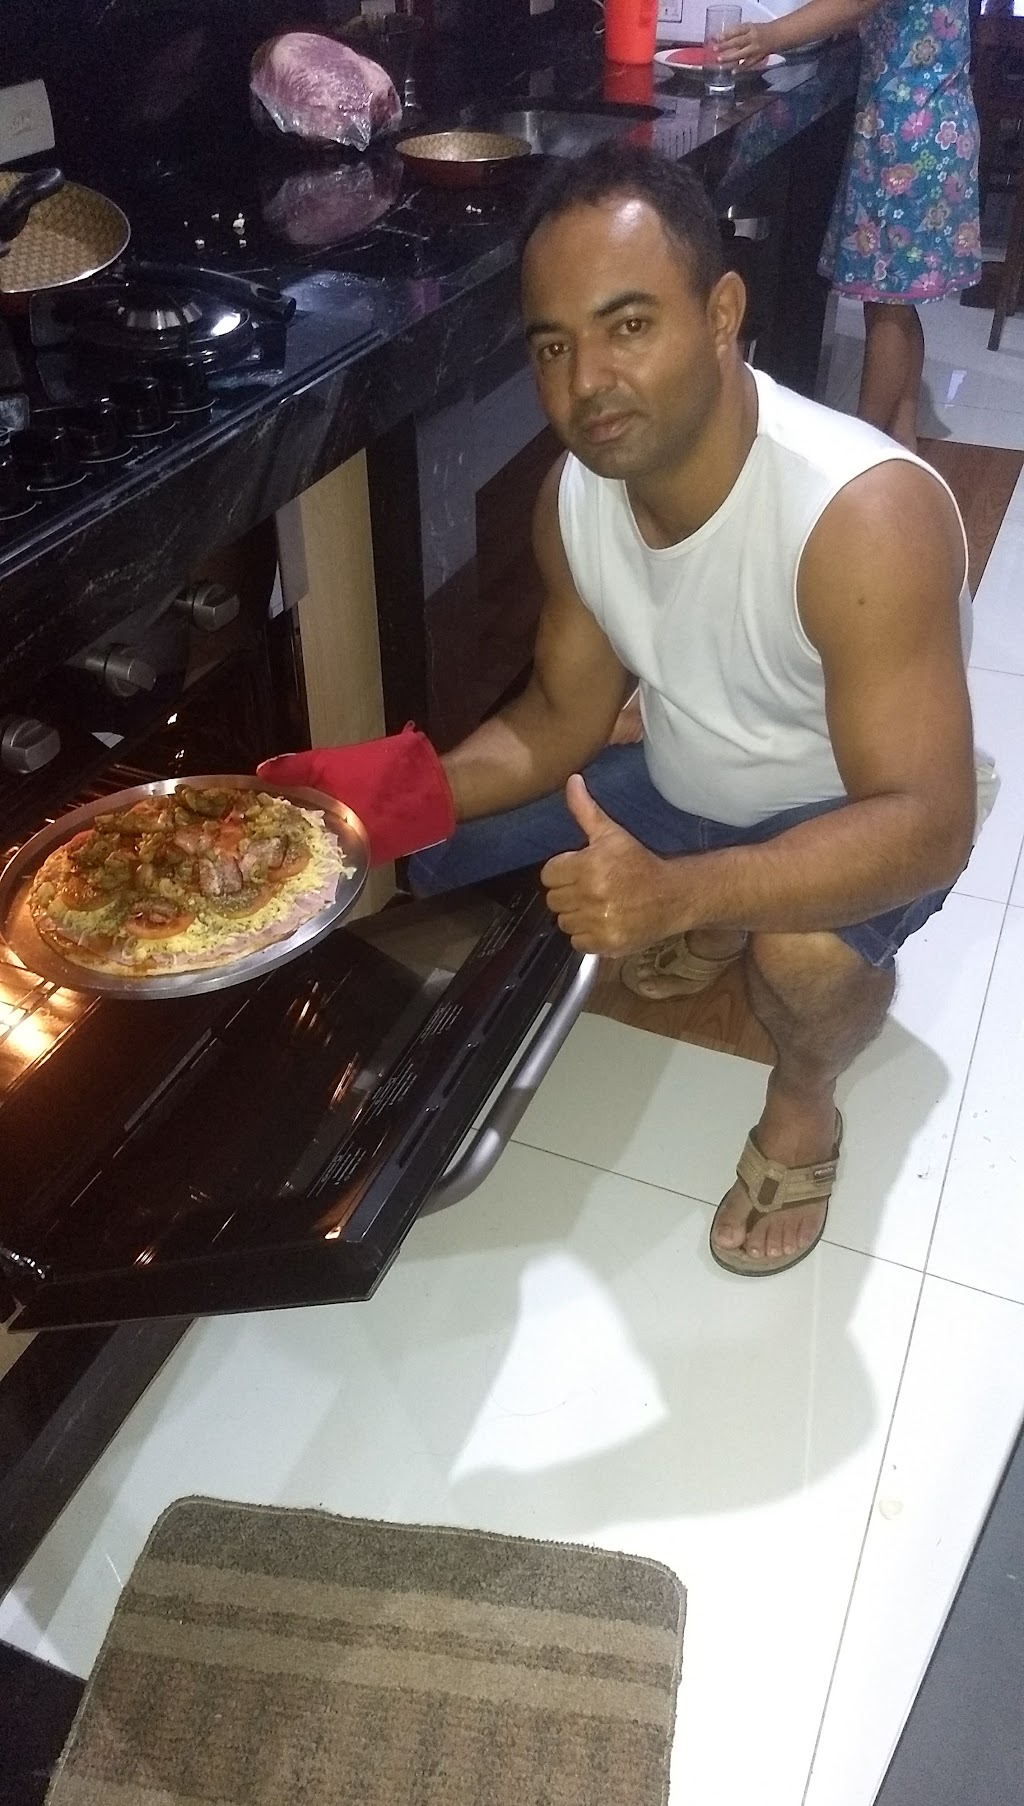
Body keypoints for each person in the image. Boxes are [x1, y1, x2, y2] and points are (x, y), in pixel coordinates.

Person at [260, 144, 976, 1278]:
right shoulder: (574, 499)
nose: (586, 381)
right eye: (553, 345)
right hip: (686, 778)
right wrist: (361, 803)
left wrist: (679, 893)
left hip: (856, 811)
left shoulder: (860, 516)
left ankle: (804, 1097)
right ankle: (715, 898)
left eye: (628, 324)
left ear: (722, 313)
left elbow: (930, 825)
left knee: (801, 960)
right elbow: (559, 716)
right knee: (438, 850)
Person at [718, 0, 982, 450]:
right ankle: (901, 438)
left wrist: (768, 36)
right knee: (896, 298)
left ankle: (860, 449)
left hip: (907, 138)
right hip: (934, 123)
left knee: (885, 301)